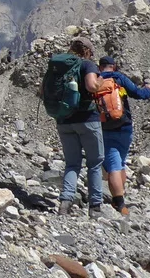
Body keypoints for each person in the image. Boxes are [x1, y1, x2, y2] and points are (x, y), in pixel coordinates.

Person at [54, 37, 105, 216]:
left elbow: (43, 91)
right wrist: (101, 82)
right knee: (95, 163)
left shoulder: (60, 66)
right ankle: (95, 207)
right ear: (88, 51)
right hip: (88, 119)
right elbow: (92, 86)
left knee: (72, 164)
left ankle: (65, 204)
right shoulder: (87, 65)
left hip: (64, 121)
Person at [97, 56, 150, 215]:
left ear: (100, 67)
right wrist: (149, 88)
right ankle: (120, 199)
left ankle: (119, 203)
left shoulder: (96, 80)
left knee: (113, 164)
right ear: (113, 66)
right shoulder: (119, 78)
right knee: (120, 161)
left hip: (106, 128)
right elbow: (139, 94)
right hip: (125, 126)